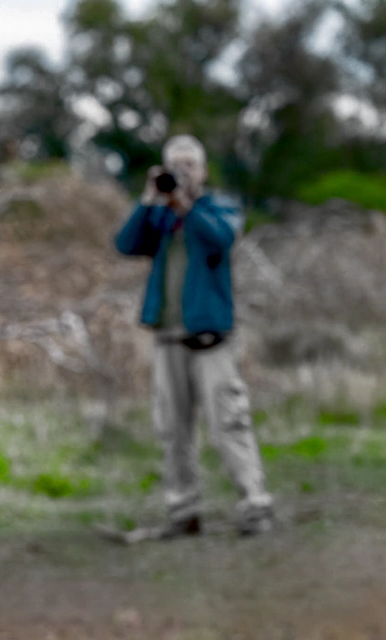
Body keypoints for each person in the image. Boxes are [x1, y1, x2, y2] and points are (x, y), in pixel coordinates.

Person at [114, 134, 274, 537]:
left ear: (202, 170)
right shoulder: (161, 216)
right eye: (175, 165)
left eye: (189, 165)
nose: (182, 172)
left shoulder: (219, 208)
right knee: (173, 428)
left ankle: (256, 506)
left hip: (211, 340)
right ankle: (183, 512)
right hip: (167, 337)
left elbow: (220, 240)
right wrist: (150, 200)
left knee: (229, 423)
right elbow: (126, 243)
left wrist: (187, 205)